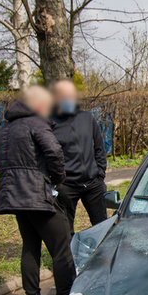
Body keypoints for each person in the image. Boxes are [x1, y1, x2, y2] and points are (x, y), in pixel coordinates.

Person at [0, 86, 76, 295]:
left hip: (14, 197)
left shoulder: (5, 130)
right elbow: (54, 151)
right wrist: (58, 179)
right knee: (62, 247)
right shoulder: (37, 124)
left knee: (30, 246)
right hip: (38, 195)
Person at [51, 80, 108, 235]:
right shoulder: (50, 123)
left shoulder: (87, 118)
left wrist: (100, 173)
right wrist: (59, 181)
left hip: (93, 183)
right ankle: (69, 258)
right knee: (65, 229)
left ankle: (103, 256)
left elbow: (99, 147)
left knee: (102, 226)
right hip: (67, 186)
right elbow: (49, 153)